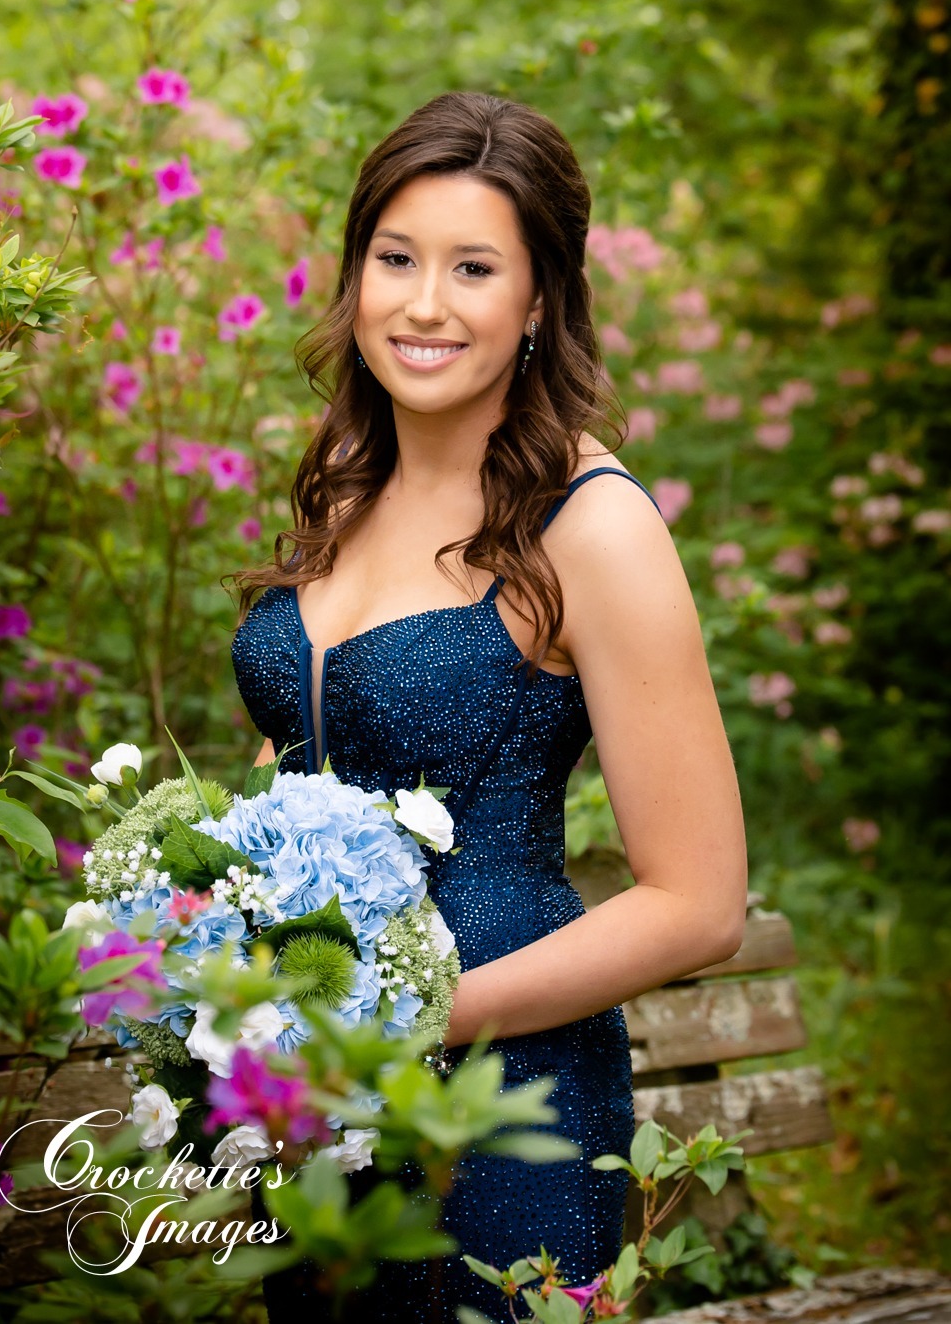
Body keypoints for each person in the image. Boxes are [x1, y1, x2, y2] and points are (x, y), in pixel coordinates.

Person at [231, 90, 748, 1322]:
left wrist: (409, 1018)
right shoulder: (343, 488)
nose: (423, 304)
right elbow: (304, 758)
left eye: (472, 268)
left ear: (538, 300)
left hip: (501, 1106)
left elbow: (699, 904)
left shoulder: (594, 526)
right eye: (394, 258)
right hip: (313, 1105)